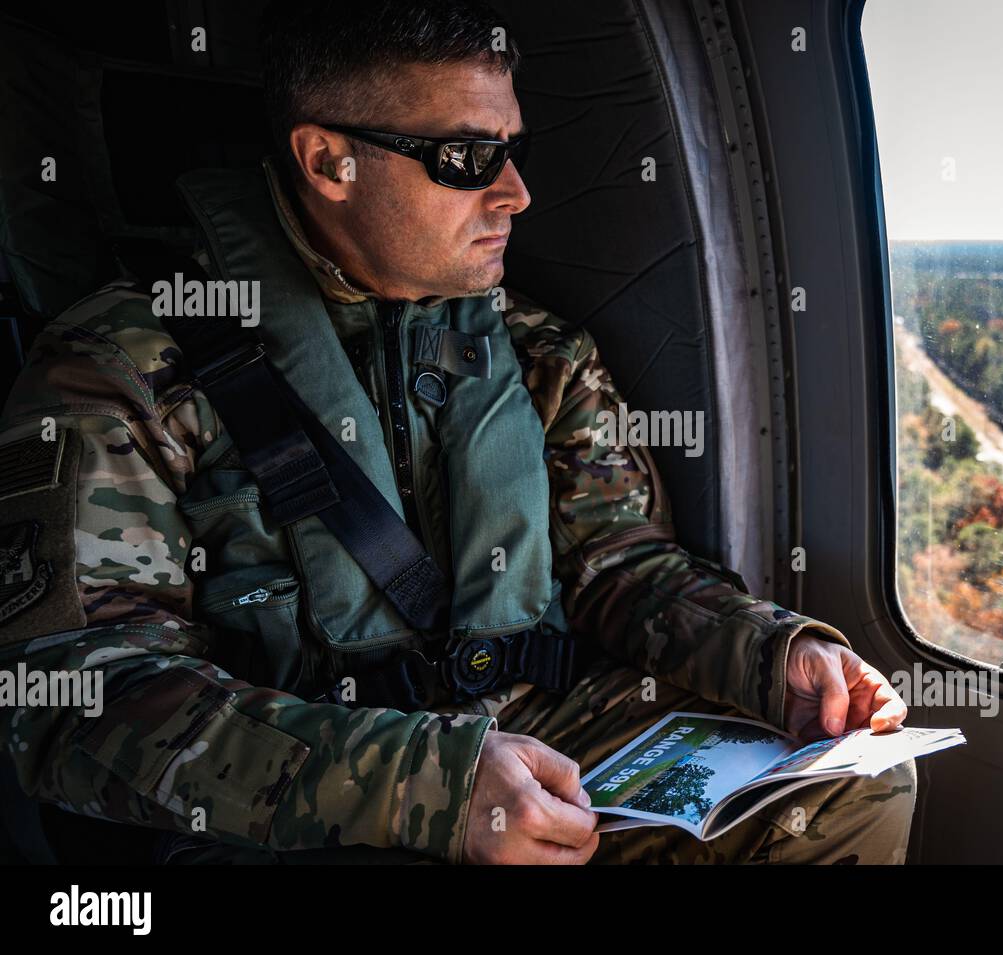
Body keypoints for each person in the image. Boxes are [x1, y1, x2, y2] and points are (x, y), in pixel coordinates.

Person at [0, 0, 914, 865]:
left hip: (542, 739)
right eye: (469, 157)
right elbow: (77, 697)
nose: (516, 193)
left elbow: (622, 566)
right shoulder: (120, 367)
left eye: (512, 150)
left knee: (842, 792)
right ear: (328, 162)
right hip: (297, 806)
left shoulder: (537, 350)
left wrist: (772, 651)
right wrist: (419, 785)